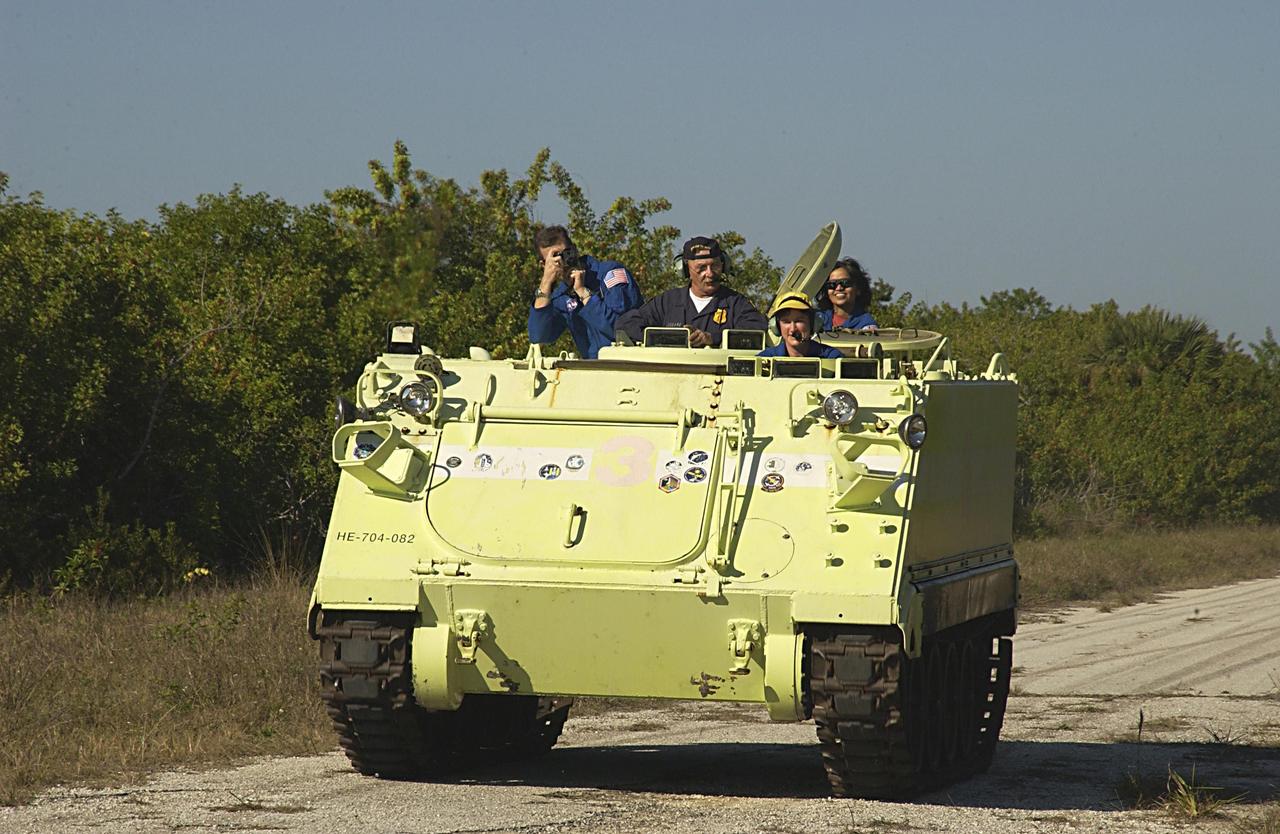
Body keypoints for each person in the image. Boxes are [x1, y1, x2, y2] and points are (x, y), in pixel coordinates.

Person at [615, 236, 767, 347]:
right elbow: (626, 324)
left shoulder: (735, 303)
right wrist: (664, 339)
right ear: (686, 270)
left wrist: (712, 338)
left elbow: (756, 330)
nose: (710, 273)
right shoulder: (668, 302)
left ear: (724, 265)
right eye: (701, 268)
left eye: (714, 266)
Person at [526, 225, 643, 359]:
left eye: (566, 253)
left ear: (575, 249)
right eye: (555, 259)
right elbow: (539, 336)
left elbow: (622, 330)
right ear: (544, 264)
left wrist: (584, 294)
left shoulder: (609, 274)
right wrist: (545, 283)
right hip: (593, 370)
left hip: (629, 363)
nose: (564, 261)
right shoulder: (562, 296)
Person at [758, 291, 844, 359]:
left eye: (799, 321)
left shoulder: (832, 358)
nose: (792, 329)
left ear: (812, 323)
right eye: (786, 322)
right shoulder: (765, 359)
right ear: (776, 326)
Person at [817, 257, 878, 332]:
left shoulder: (867, 325)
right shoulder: (817, 319)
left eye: (845, 283)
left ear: (858, 289)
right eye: (832, 284)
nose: (839, 288)